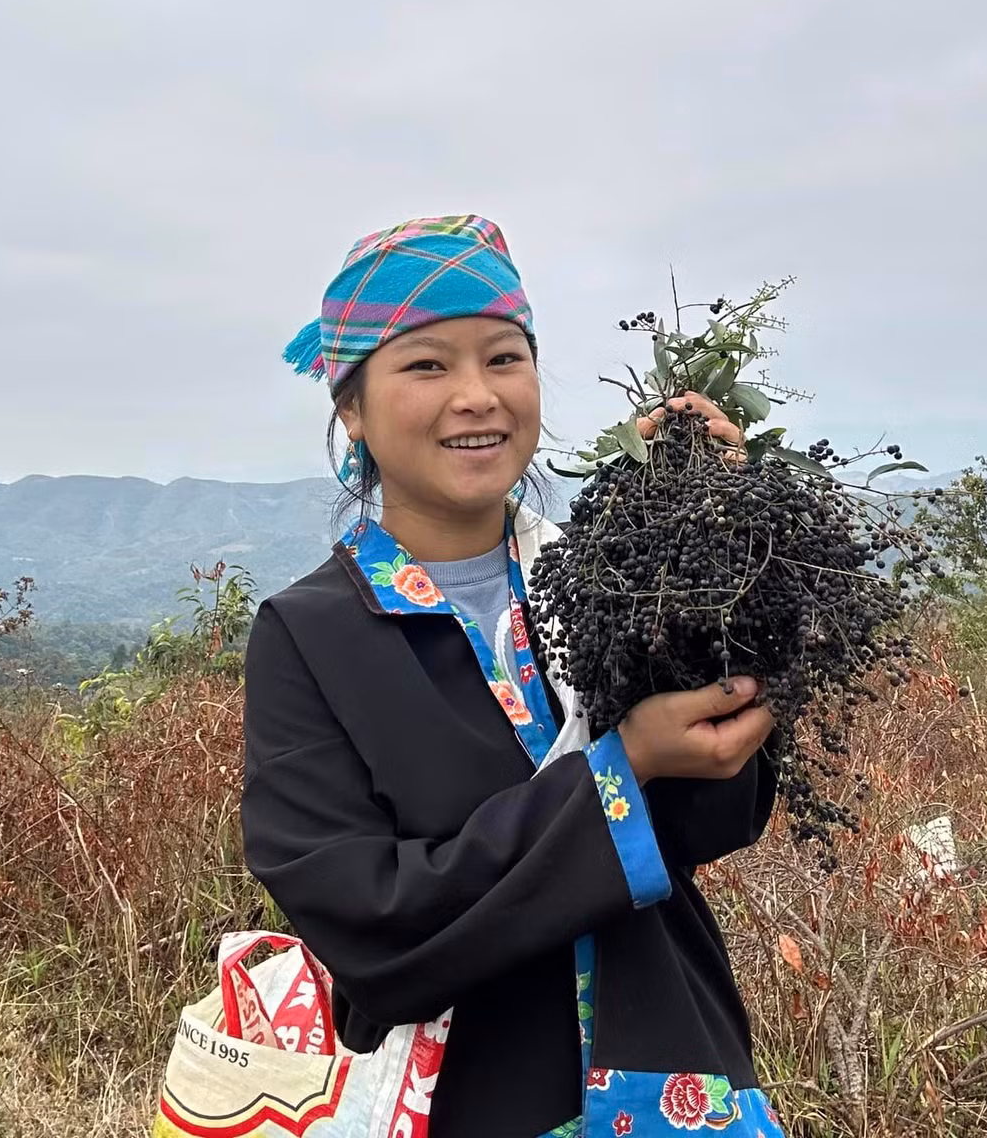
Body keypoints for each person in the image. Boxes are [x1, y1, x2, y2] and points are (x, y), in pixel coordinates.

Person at [241, 215, 785, 1138]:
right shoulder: (310, 634)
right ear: (352, 409)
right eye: (425, 366)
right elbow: (373, 926)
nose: (477, 396)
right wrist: (624, 767)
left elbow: (717, 819)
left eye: (503, 358)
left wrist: (705, 563)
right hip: (471, 1103)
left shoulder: (599, 581)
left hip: (676, 1086)